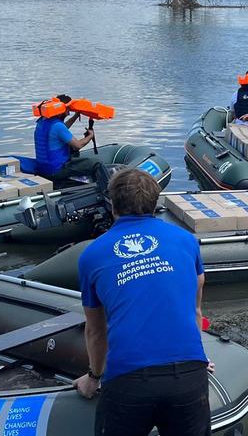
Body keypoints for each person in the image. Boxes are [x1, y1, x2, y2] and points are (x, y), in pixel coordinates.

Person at [73, 169, 213, 436]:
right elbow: (193, 308)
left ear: (112, 204)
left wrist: (93, 377)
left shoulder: (92, 254)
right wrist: (197, 356)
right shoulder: (186, 241)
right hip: (188, 376)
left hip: (129, 380)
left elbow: (96, 331)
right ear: (155, 202)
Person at [33, 94, 98, 183]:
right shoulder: (58, 126)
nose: (68, 112)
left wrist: (75, 116)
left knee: (72, 151)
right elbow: (77, 145)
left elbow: (62, 129)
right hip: (56, 171)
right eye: (68, 109)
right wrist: (90, 136)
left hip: (43, 168)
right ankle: (107, 189)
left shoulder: (43, 121)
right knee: (97, 164)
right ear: (62, 109)